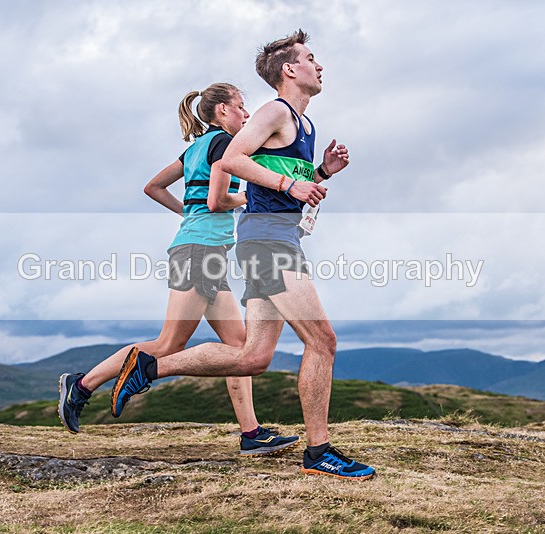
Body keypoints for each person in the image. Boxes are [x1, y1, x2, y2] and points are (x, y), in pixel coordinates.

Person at [111, 31, 375, 480]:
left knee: (254, 357)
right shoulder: (275, 110)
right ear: (289, 70)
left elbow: (270, 170)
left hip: (277, 237)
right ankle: (319, 453)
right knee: (322, 342)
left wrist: (321, 171)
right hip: (268, 242)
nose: (320, 65)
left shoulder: (302, 125)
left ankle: (151, 365)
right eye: (312, 58)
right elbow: (231, 159)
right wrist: (291, 186)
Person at [58, 82, 299, 457]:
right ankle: (82, 385)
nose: (247, 114)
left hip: (202, 250)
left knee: (238, 347)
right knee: (169, 344)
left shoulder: (194, 148)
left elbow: (153, 187)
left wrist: (187, 212)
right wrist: (251, 197)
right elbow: (218, 200)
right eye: (240, 107)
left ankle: (251, 433)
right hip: (199, 252)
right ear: (222, 111)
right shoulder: (222, 145)